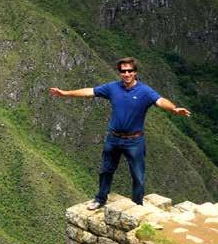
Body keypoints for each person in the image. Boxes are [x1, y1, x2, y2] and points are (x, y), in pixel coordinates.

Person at [49, 57, 191, 210]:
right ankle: (100, 198)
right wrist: (65, 93)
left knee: (138, 176)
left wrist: (174, 109)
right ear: (120, 73)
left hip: (134, 141)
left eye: (130, 71)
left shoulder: (144, 91)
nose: (127, 74)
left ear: (135, 72)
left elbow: (160, 101)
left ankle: (137, 206)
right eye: (123, 71)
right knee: (105, 170)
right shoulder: (112, 88)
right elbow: (90, 92)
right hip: (114, 138)